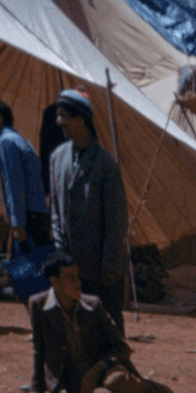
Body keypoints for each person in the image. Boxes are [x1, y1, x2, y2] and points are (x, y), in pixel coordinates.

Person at [28, 253, 175, 393]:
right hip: (74, 383)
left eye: (77, 276)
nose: (78, 282)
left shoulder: (92, 305)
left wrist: (98, 368)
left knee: (116, 380)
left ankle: (143, 388)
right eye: (70, 277)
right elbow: (39, 351)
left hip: (105, 371)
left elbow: (121, 347)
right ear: (54, 282)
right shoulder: (38, 305)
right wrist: (35, 391)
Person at [48, 89, 129, 338]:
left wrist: (109, 269)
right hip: (70, 267)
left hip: (101, 268)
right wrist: (61, 252)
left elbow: (116, 223)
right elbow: (55, 210)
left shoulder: (105, 165)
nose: (58, 122)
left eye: (64, 116)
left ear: (81, 118)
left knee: (108, 328)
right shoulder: (57, 158)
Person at [0, 100, 49, 255]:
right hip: (39, 214)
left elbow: (14, 184)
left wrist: (18, 224)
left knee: (29, 272)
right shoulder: (22, 140)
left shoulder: (5, 142)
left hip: (28, 219)